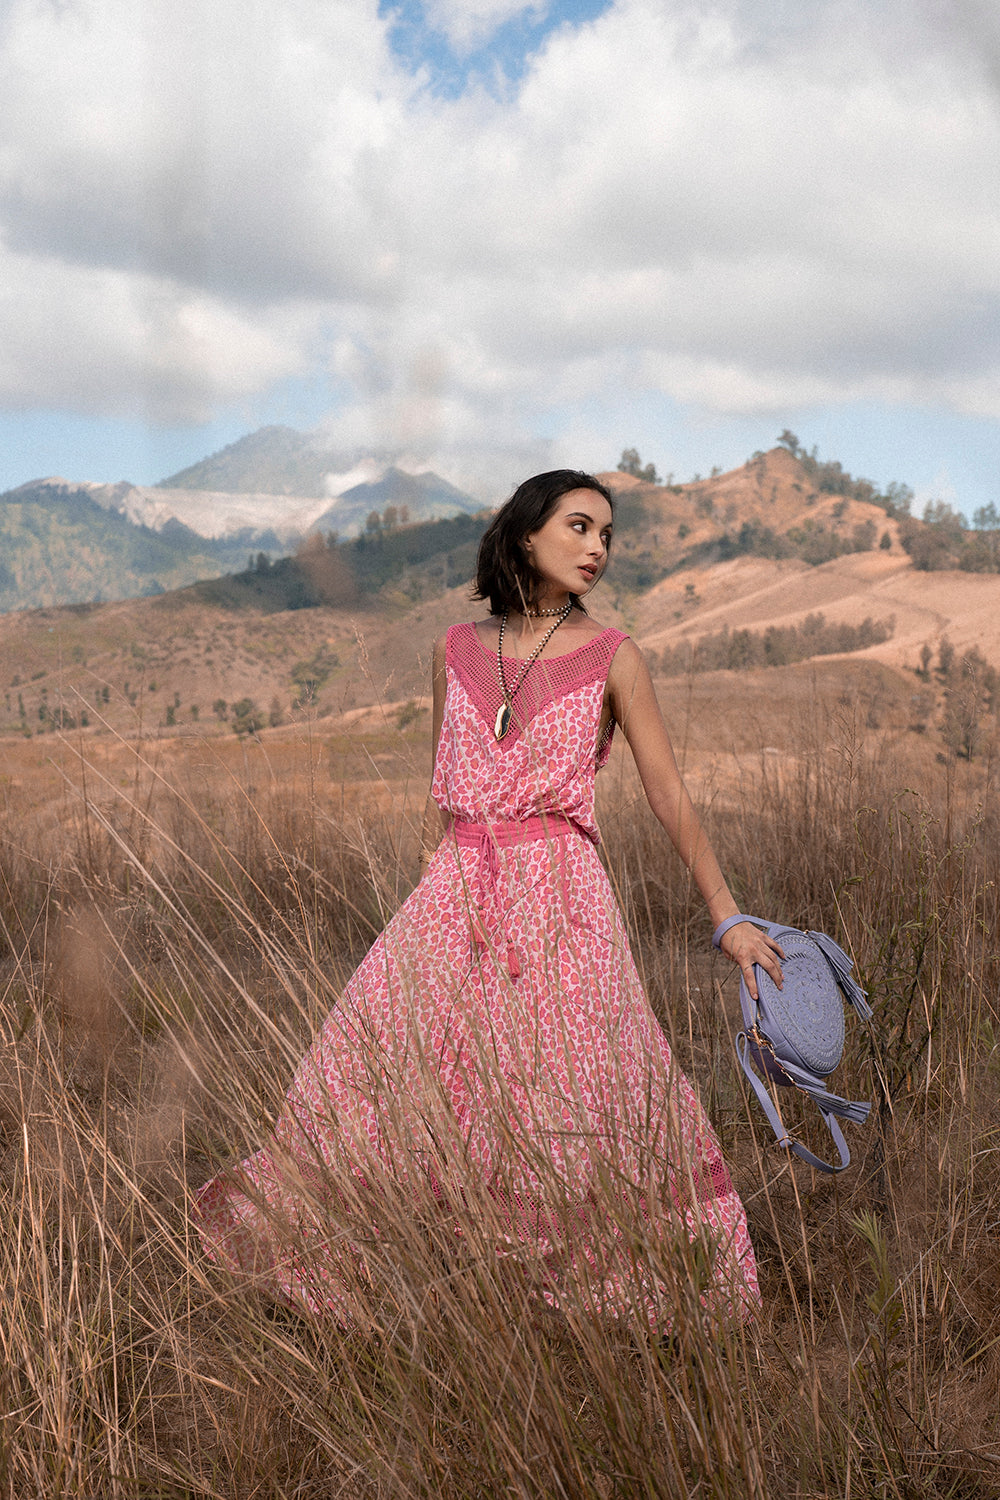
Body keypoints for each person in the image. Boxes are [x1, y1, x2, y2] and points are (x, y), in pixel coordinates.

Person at [195, 469, 784, 1326]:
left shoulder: (616, 657)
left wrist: (727, 918)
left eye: (607, 535)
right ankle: (420, 1266)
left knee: (568, 1085)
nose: (597, 548)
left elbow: (669, 796)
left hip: (561, 898)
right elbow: (442, 793)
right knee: (403, 1069)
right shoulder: (453, 650)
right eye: (579, 526)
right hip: (455, 893)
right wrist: (433, 904)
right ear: (524, 532)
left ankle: (585, 1286)